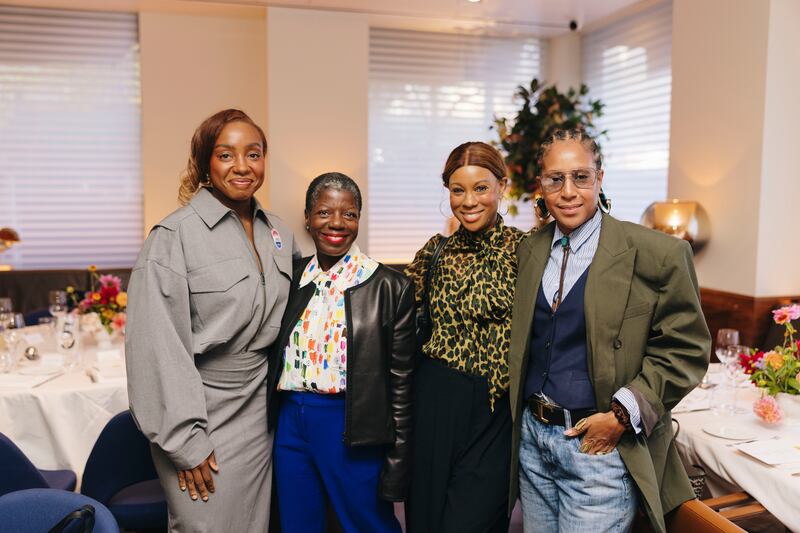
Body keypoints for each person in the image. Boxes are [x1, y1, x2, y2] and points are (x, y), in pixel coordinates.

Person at [507, 128, 711, 533]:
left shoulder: (658, 253)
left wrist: (620, 416)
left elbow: (685, 349)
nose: (568, 191)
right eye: (555, 179)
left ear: (599, 179)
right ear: (541, 186)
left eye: (580, 177)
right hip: (533, 443)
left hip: (597, 451)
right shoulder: (530, 249)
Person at [126, 109, 296, 532]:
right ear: (205, 163)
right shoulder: (173, 236)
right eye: (226, 155)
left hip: (261, 412)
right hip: (199, 413)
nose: (242, 166)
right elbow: (156, 348)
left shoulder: (279, 232)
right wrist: (185, 441)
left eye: (253, 154)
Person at [267, 172, 415, 533]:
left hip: (351, 423)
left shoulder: (389, 287)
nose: (336, 223)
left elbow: (402, 384)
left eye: (348, 214)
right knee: (298, 524)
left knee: (366, 524)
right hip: (290, 422)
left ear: (359, 220)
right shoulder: (292, 277)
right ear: (307, 217)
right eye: (323, 212)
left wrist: (398, 458)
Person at [405, 142, 525, 533]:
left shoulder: (525, 250)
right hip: (435, 403)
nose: (468, 201)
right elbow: (394, 319)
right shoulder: (433, 253)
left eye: (480, 188)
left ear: (502, 187)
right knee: (426, 521)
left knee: (471, 523)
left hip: (496, 412)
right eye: (458, 190)